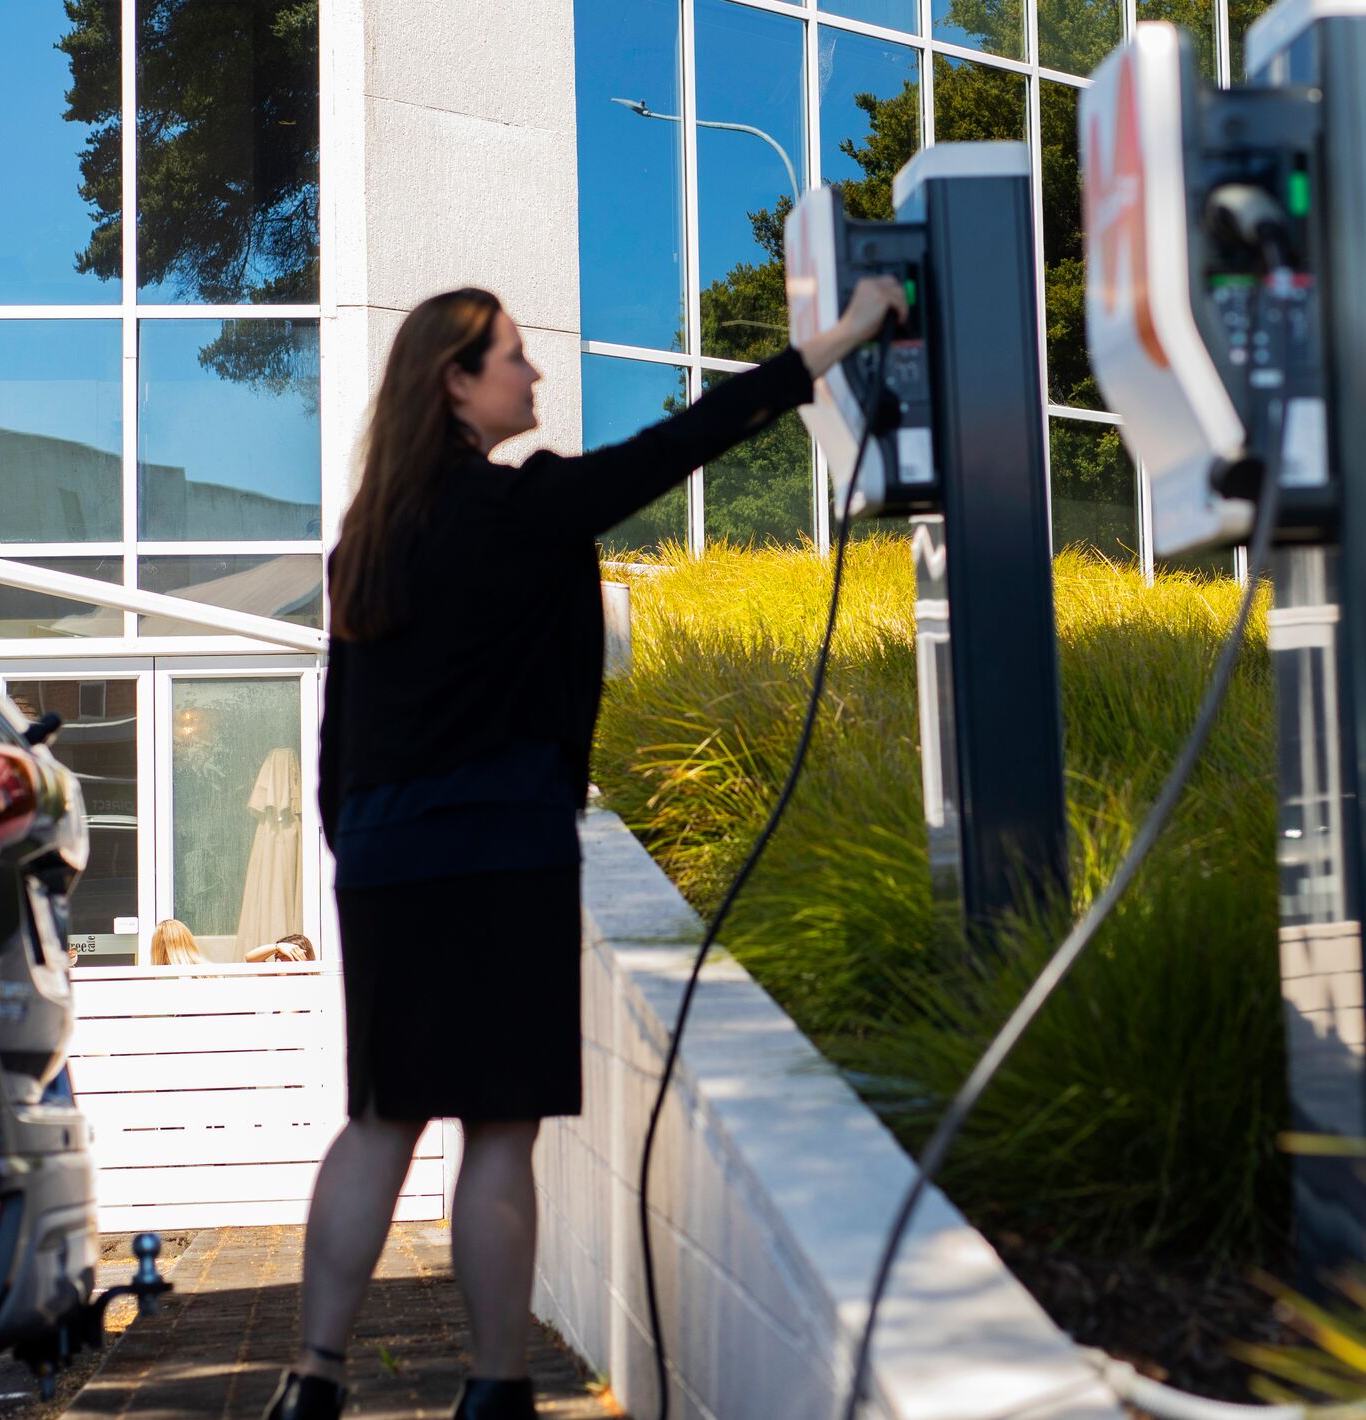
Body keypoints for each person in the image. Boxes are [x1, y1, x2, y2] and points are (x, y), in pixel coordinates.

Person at [268, 279, 907, 1420]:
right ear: (455, 381)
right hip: (502, 847)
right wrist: (847, 333)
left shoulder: (367, 538)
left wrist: (352, 848)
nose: (536, 375)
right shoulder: (529, 508)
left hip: (383, 858)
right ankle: (497, 1387)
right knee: (497, 1129)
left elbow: (338, 723)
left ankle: (312, 1378)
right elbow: (696, 433)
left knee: (380, 1115)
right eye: (514, 357)